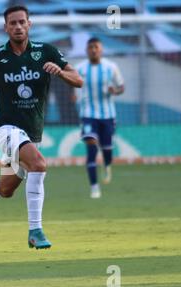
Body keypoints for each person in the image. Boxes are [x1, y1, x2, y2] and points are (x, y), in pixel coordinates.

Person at [0, 5, 83, 250]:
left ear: (29, 24)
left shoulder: (47, 52)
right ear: (6, 28)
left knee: (6, 189)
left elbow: (78, 80)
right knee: (39, 164)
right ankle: (35, 230)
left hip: (32, 134)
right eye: (13, 23)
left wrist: (61, 74)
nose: (18, 27)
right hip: (6, 130)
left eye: (22, 22)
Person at [75, 37, 124, 199]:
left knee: (107, 149)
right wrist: (73, 95)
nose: (93, 50)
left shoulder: (111, 67)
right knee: (91, 145)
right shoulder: (80, 68)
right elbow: (72, 84)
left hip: (108, 115)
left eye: (96, 47)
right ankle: (94, 187)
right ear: (86, 50)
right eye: (90, 47)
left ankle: (108, 164)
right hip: (88, 115)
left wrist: (114, 91)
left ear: (101, 50)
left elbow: (121, 87)